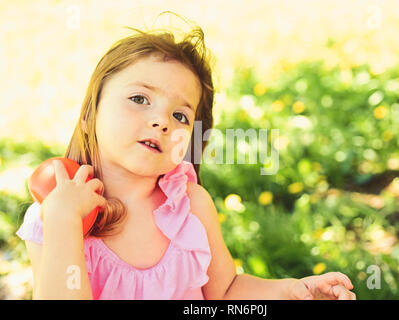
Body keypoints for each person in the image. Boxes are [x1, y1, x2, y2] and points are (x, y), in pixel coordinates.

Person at [16, 24, 356, 300]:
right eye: (139, 98)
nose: (161, 121)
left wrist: (290, 290)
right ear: (90, 115)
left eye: (180, 115)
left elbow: (225, 292)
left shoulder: (190, 206)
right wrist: (63, 219)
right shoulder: (54, 214)